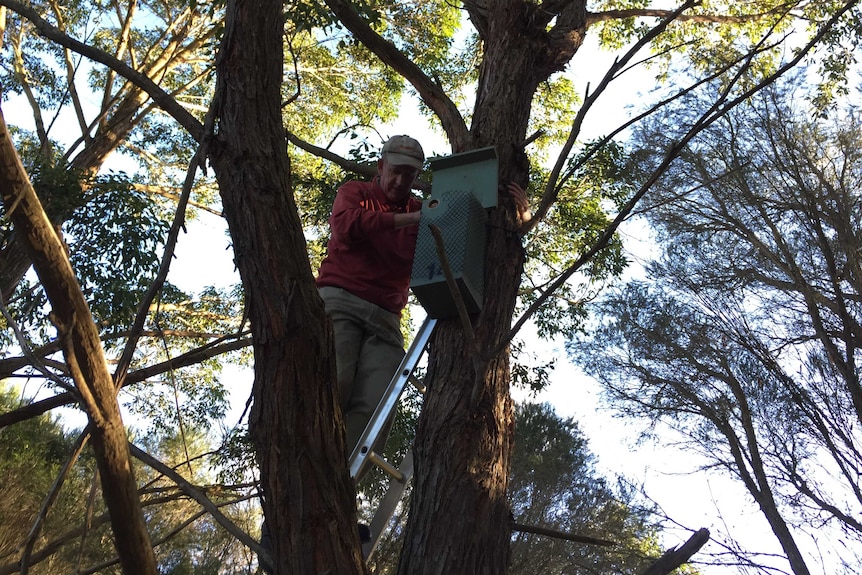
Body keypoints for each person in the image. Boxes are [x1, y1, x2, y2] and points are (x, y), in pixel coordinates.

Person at [316, 134, 425, 483]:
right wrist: (409, 221)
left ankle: (339, 491)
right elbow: (346, 226)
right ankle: (302, 486)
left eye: (408, 175)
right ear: (380, 167)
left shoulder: (422, 208)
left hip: (386, 317)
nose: (399, 181)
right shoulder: (357, 192)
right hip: (340, 300)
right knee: (333, 386)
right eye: (394, 172)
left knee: (376, 408)